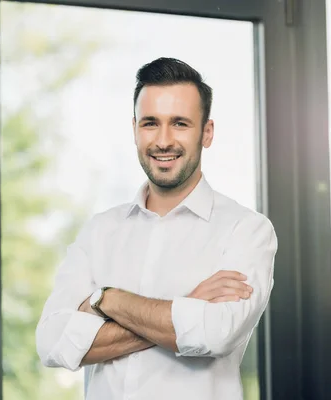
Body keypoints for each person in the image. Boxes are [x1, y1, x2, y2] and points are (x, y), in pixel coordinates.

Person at [35, 57, 277, 400]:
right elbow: (52, 342)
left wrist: (105, 300)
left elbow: (215, 334)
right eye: (151, 123)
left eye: (180, 123)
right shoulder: (100, 231)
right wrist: (185, 306)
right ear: (135, 129)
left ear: (206, 133)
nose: (164, 141)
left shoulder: (247, 230)